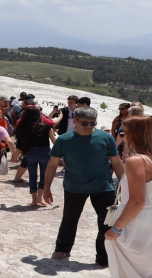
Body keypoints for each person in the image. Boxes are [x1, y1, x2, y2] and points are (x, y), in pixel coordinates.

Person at [44, 107, 124, 266]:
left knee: (106, 221)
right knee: (70, 219)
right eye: (84, 123)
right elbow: (52, 165)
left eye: (92, 123)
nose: (88, 126)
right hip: (74, 187)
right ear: (74, 121)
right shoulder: (64, 140)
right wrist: (46, 188)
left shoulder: (106, 138)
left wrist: (125, 185)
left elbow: (116, 162)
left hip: (103, 187)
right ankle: (62, 249)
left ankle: (104, 256)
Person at [104, 116, 152, 277]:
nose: (122, 137)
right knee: (143, 271)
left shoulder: (136, 161)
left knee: (127, 271)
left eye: (124, 133)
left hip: (136, 223)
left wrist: (116, 228)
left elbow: (137, 201)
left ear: (135, 134)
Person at [12, 107, 55, 206]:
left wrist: (15, 156)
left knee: (32, 176)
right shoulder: (46, 127)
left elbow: (20, 144)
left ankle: (34, 200)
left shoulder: (24, 127)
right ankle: (40, 198)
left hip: (30, 153)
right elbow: (54, 142)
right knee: (44, 176)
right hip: (45, 153)